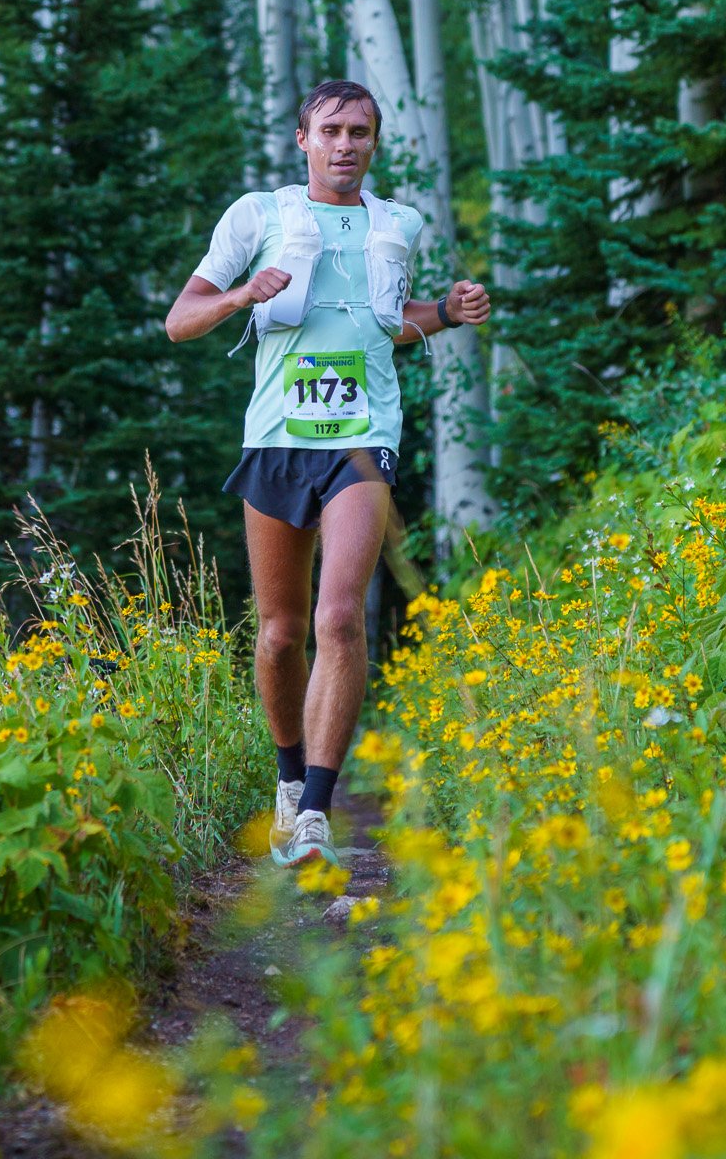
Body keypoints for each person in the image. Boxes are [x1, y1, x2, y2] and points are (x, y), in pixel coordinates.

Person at [164, 78, 490, 868]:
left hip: (361, 441)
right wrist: (245, 292)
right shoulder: (259, 216)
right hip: (278, 436)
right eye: (332, 130)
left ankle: (314, 810)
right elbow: (180, 322)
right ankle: (285, 781)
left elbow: (387, 323)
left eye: (361, 132)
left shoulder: (396, 224)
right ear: (302, 138)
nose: (347, 144)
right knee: (278, 634)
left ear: (374, 144)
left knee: (338, 617)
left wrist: (445, 313)